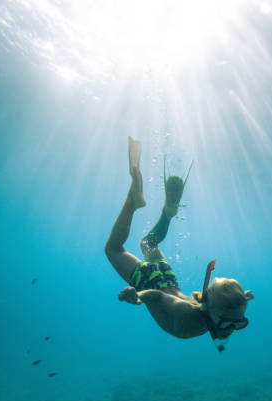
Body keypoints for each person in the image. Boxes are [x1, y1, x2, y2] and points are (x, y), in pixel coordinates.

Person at [104, 137, 254, 352]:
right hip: (152, 284)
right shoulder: (186, 317)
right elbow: (157, 296)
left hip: (167, 277)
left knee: (148, 242)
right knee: (113, 249)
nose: (231, 329)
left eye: (239, 323)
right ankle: (132, 202)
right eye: (229, 322)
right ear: (212, 309)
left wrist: (242, 298)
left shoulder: (213, 308)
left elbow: (216, 304)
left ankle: (167, 214)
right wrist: (138, 296)